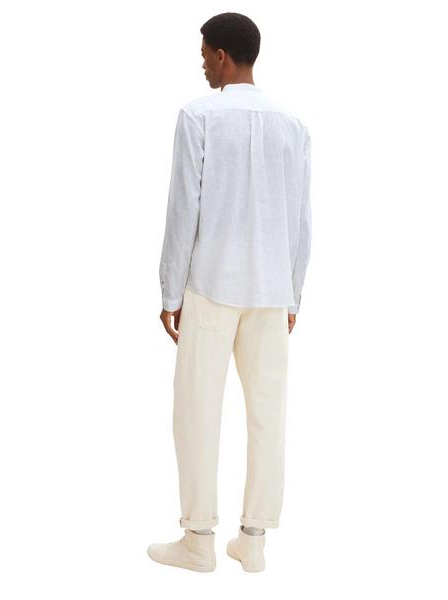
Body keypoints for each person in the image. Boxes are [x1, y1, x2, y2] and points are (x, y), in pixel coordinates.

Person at [147, 12, 312, 573]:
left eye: (204, 54)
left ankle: (198, 540)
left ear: (221, 55)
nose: (201, 64)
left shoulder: (198, 116)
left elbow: (183, 208)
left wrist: (170, 290)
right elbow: (300, 219)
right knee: (269, 413)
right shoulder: (292, 124)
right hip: (271, 290)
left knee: (196, 409)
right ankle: (255, 540)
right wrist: (293, 294)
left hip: (210, 286)